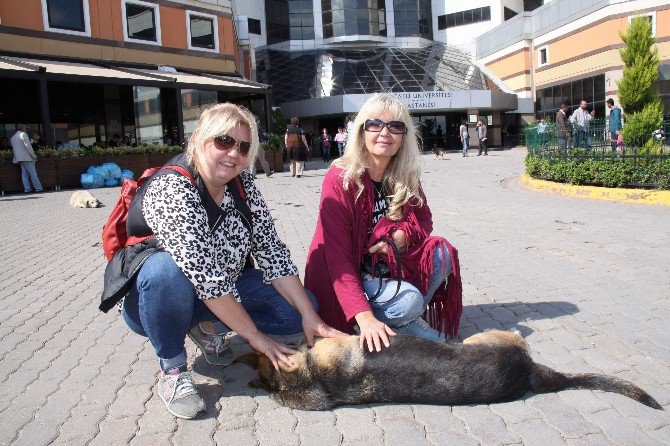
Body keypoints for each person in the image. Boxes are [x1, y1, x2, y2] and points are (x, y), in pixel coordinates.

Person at [102, 103, 343, 419]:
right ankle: (173, 370)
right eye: (224, 142)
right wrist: (256, 338)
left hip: (220, 290)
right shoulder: (172, 186)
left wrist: (312, 316)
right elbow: (206, 278)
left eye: (244, 147)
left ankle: (205, 325)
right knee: (166, 271)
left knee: (295, 312)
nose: (234, 154)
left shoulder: (242, 185)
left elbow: (272, 253)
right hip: (156, 299)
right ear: (200, 139)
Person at [304, 94, 463, 353]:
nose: (385, 132)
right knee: (409, 302)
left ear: (403, 137)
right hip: (350, 272)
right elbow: (337, 257)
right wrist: (363, 315)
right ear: (361, 132)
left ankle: (398, 321)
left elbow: (424, 219)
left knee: (444, 254)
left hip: (386, 268)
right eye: (375, 124)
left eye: (395, 126)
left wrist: (400, 238)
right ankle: (389, 321)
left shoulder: (404, 175)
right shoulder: (340, 179)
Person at [11, 124, 43, 193]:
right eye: (25, 128)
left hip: (20, 158)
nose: (26, 129)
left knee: (24, 175)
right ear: (22, 128)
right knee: (33, 173)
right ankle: (38, 188)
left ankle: (27, 189)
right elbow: (28, 146)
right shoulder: (23, 134)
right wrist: (34, 156)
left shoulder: (13, 137)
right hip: (27, 157)